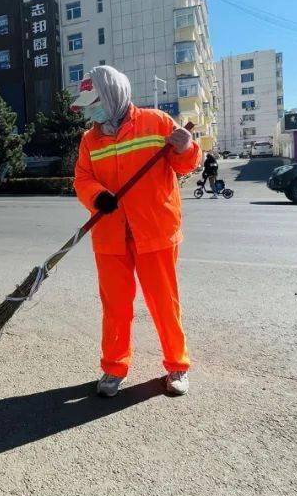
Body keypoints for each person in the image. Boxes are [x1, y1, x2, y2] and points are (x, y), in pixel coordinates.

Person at [72, 65, 201, 397]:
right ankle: (114, 368)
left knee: (163, 302)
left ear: (113, 94)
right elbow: (83, 178)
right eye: (87, 105)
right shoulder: (90, 140)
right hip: (110, 235)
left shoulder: (157, 122)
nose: (91, 112)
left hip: (154, 231)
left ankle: (177, 366)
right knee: (115, 306)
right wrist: (98, 196)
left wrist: (186, 147)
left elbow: (184, 164)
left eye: (94, 102)